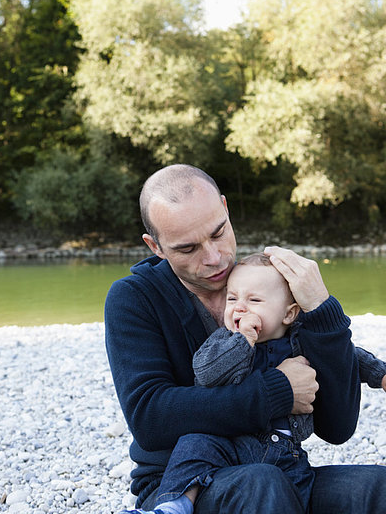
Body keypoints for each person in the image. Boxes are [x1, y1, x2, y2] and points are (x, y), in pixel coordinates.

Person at [105, 164, 386, 514]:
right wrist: (279, 392)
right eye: (188, 249)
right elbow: (151, 418)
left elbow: (338, 426)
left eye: (218, 232)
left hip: (286, 469)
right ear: (156, 246)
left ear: (225, 208)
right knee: (260, 482)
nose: (213, 258)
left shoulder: (265, 284)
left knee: (378, 488)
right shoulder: (134, 298)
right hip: (183, 486)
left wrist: (321, 309)